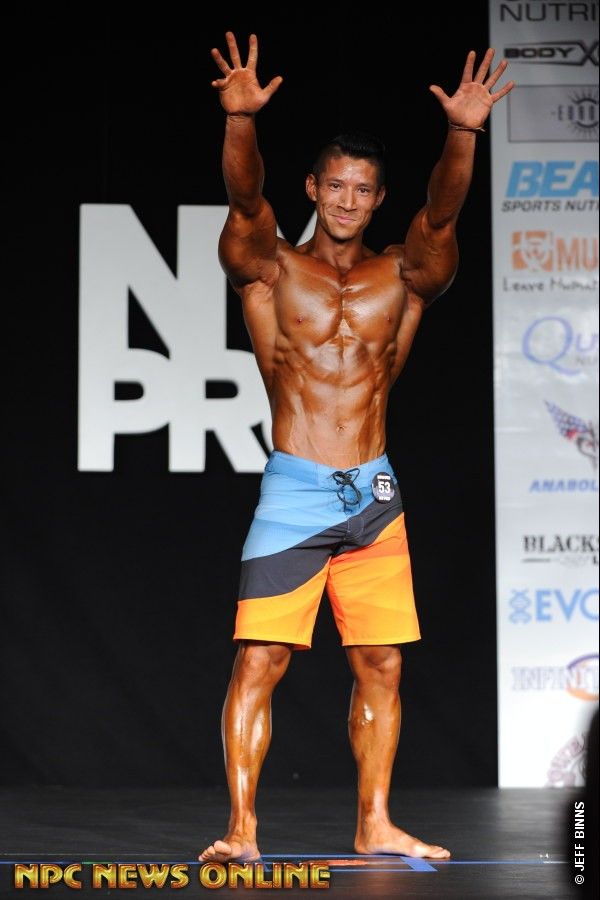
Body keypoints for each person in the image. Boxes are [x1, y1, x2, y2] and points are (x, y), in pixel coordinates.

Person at [200, 31, 513, 863]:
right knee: (260, 659)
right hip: (297, 485)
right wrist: (240, 121)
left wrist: (463, 132)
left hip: (374, 491)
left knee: (381, 664)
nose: (346, 200)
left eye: (362, 189)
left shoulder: (402, 279)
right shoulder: (271, 270)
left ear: (378, 200)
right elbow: (245, 202)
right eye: (334, 185)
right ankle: (241, 830)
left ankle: (375, 822)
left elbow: (441, 215)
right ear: (313, 187)